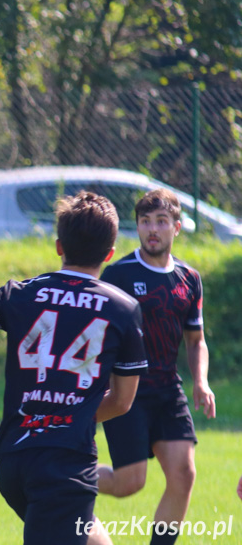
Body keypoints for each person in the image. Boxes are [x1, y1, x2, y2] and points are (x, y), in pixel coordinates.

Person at [0, 191, 148, 545]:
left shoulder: (18, 293)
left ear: (58, 246)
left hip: (13, 459)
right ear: (110, 253)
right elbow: (123, 400)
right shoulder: (123, 308)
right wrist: (71, 414)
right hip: (64, 464)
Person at [97, 188, 216, 545]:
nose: (152, 229)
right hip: (126, 391)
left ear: (176, 228)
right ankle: (67, 475)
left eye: (161, 222)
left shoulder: (189, 279)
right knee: (129, 483)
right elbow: (96, 334)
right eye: (145, 222)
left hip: (167, 390)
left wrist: (202, 382)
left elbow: (196, 340)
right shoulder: (117, 274)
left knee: (184, 474)